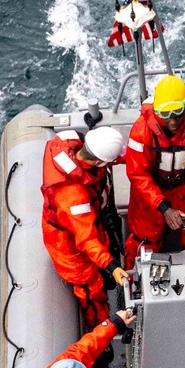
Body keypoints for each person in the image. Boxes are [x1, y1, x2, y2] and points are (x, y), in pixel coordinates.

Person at [123, 74, 185, 266]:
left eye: (177, 112)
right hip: (151, 194)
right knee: (143, 240)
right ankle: (133, 282)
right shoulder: (140, 131)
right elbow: (138, 175)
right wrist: (164, 207)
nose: (172, 121)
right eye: (165, 114)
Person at [41, 124, 128, 328]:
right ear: (98, 161)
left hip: (93, 222)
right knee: (91, 290)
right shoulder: (73, 195)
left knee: (104, 248)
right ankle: (101, 331)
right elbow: (87, 239)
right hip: (70, 248)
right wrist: (112, 265)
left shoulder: (76, 146)